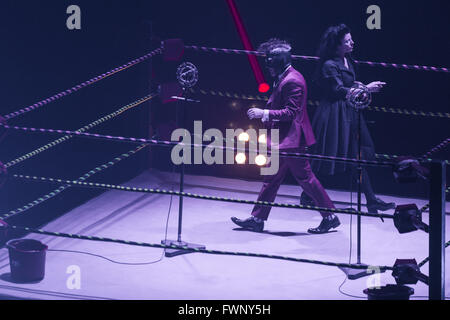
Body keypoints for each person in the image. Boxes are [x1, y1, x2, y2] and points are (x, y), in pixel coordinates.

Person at [231, 38, 340, 234]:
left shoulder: (293, 80)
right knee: (271, 179)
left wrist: (263, 113)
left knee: (306, 178)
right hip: (283, 139)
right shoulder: (285, 76)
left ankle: (330, 216)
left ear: (279, 61)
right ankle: (257, 218)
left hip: (292, 140)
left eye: (271, 64)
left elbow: (291, 112)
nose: (268, 68)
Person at [300, 24, 395, 213]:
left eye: (351, 39)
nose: (352, 43)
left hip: (349, 111)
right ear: (336, 45)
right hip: (334, 114)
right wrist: (366, 88)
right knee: (328, 154)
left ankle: (371, 200)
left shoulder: (346, 60)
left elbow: (348, 84)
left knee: (357, 155)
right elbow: (338, 90)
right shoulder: (329, 65)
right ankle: (308, 194)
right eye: (347, 41)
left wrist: (359, 85)